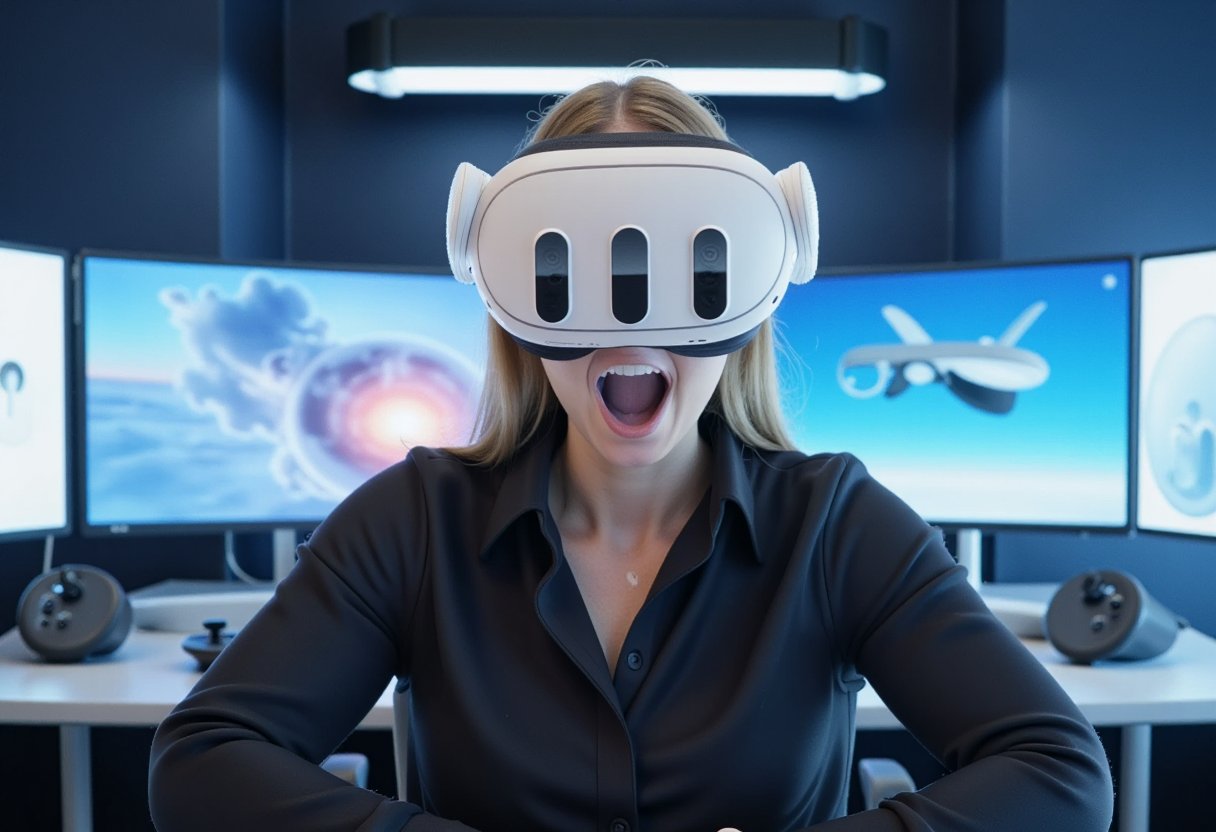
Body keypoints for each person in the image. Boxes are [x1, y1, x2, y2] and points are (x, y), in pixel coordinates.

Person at [149, 76, 1114, 832]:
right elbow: (202, 761)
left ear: (751, 283)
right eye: (567, 269)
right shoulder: (416, 520)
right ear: (509, 289)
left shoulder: (833, 525)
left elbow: (1059, 773)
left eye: (690, 270)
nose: (629, 318)